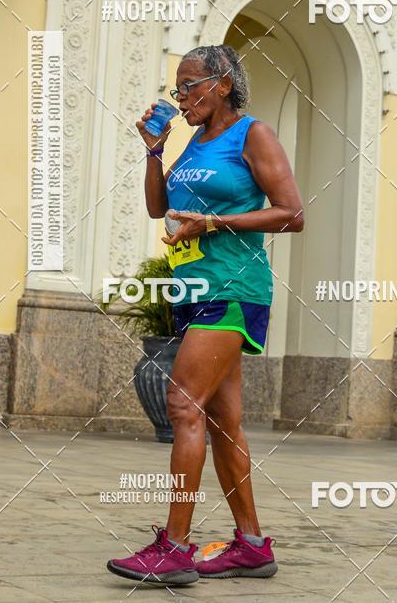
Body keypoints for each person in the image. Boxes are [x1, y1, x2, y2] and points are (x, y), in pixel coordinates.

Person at [107, 44, 304, 586]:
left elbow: (292, 214)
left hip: (234, 289)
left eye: (190, 86)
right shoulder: (193, 140)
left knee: (182, 403)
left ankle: (173, 548)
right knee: (221, 420)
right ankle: (252, 546)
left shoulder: (253, 134)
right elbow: (158, 207)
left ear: (222, 83)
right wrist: (154, 152)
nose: (181, 97)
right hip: (192, 290)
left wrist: (215, 225)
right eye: (178, 88)